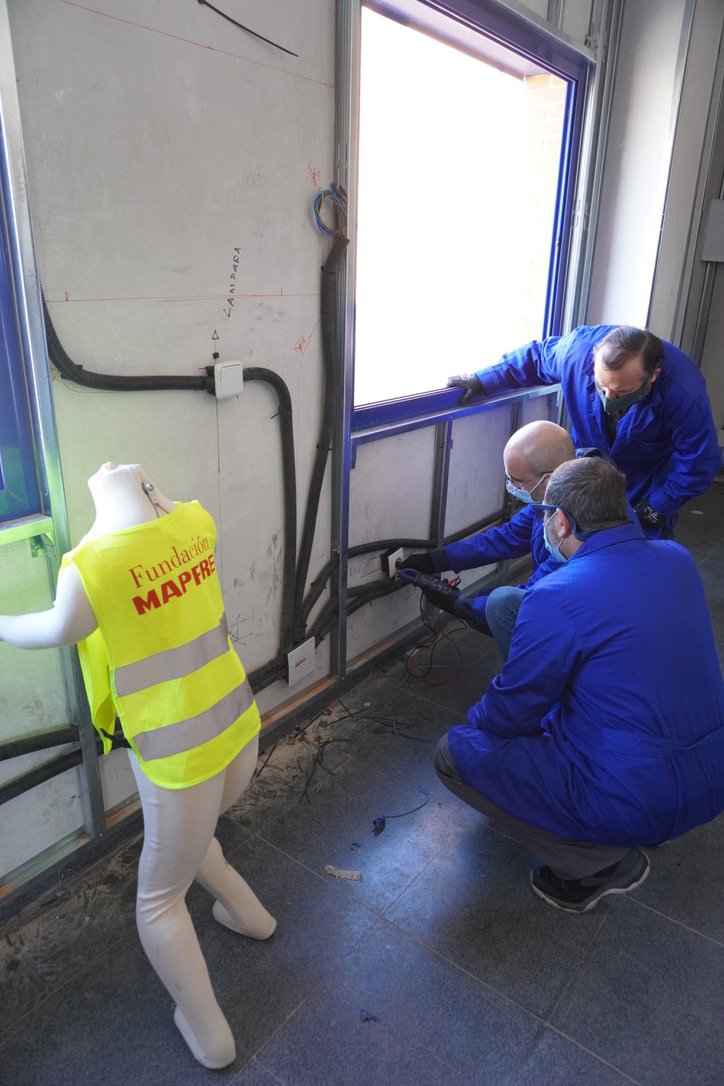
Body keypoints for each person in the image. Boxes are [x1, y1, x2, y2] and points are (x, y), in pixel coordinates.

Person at [0, 462, 275, 1070]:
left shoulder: (91, 566)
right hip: (237, 727)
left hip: (180, 758)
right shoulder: (195, 521)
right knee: (196, 841)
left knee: (158, 900)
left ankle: (212, 1039)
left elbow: (52, 628)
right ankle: (251, 918)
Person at [434, 457, 724, 913]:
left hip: (636, 796)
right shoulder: (678, 558)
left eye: (547, 516)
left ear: (562, 522)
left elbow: (508, 713)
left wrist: (481, 728)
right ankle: (649, 824)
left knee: (456, 753)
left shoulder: (558, 594)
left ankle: (598, 864)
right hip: (711, 777)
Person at [447, 325, 722, 538]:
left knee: (639, 560)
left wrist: (657, 506)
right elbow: (534, 359)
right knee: (569, 543)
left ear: (652, 376)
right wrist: (482, 380)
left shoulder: (684, 392)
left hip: (647, 482)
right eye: (602, 387)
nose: (609, 398)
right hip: (588, 466)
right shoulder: (576, 353)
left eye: (621, 392)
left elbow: (698, 462)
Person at [397, 420, 579, 658]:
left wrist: (462, 606)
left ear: (549, 477)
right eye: (509, 478)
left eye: (518, 481)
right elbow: (505, 538)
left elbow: (532, 600)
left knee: (506, 609)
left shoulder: (578, 527)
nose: (511, 488)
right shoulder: (553, 497)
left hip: (570, 625)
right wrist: (437, 560)